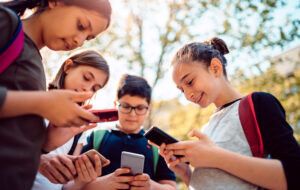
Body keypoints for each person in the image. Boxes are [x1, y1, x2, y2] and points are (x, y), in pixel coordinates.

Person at [154, 37, 300, 190]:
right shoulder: (207, 127)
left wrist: (214, 156)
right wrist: (186, 173)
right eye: (182, 90)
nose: (188, 94)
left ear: (215, 68)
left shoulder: (259, 103)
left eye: (190, 82)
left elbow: (294, 175)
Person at [0, 1, 112, 189]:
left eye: (88, 37)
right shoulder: (6, 23)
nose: (79, 41)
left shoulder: (36, 66)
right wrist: (41, 103)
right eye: (81, 26)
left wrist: (45, 143)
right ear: (55, 2)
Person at [70, 74, 176, 190]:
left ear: (148, 110)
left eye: (140, 108)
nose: (132, 114)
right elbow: (74, 185)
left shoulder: (157, 146)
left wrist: (151, 186)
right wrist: (103, 184)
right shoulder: (96, 137)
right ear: (116, 105)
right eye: (126, 106)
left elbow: (171, 187)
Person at [32, 50, 110, 190]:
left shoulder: (80, 127)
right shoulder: (33, 99)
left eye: (95, 88)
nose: (87, 89)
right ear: (68, 67)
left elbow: (66, 186)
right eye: (86, 78)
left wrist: (81, 179)